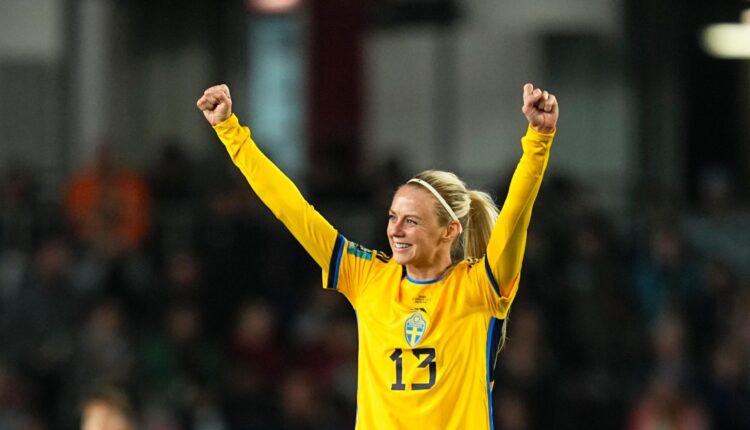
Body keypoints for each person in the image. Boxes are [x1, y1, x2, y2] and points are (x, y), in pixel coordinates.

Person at [197, 82, 558, 429]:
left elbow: (515, 217)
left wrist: (538, 141)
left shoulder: (480, 288)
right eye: (392, 217)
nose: (395, 230)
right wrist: (231, 132)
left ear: (449, 231)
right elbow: (293, 210)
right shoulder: (367, 277)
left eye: (411, 221)